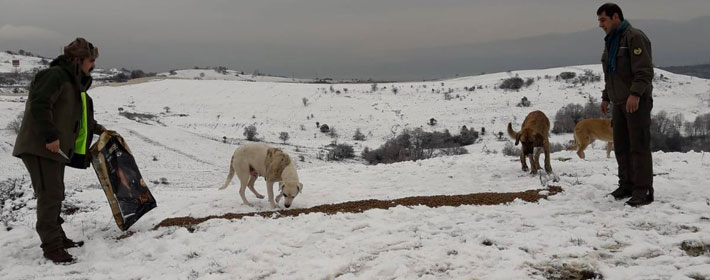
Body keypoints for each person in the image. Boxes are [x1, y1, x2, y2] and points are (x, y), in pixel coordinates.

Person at [13, 38, 106, 263]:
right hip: (41, 146)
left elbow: (74, 116)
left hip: (53, 149)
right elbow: (39, 104)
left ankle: (57, 237)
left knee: (56, 192)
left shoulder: (72, 81)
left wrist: (97, 128)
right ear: (78, 59)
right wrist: (50, 136)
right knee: (50, 195)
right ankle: (52, 247)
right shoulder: (54, 76)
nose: (93, 66)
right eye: (91, 61)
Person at [597, 3, 654, 207]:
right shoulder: (611, 41)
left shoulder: (634, 37)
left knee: (638, 146)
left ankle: (643, 189)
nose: (600, 24)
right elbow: (611, 73)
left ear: (615, 17)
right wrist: (606, 97)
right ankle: (627, 185)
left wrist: (636, 94)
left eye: (603, 20)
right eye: (599, 21)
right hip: (619, 102)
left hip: (635, 102)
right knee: (621, 146)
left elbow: (644, 71)